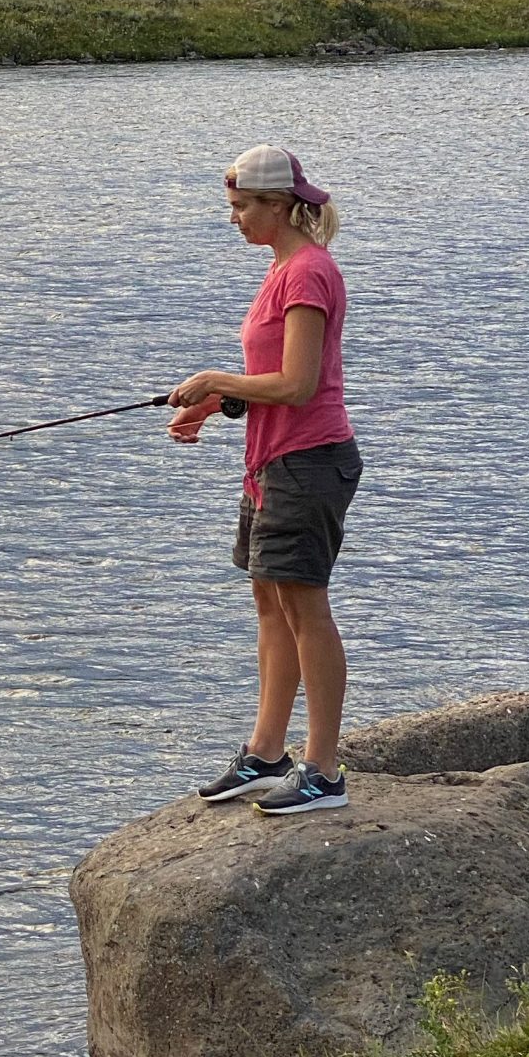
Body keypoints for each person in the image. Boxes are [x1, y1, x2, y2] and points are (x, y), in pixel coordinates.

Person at [168, 143, 362, 816]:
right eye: (233, 206)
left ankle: (323, 772)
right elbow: (275, 383)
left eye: (244, 206)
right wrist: (220, 405)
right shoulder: (281, 269)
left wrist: (218, 378)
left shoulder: (307, 273)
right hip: (270, 464)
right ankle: (265, 755)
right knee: (269, 607)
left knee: (307, 611)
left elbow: (302, 384)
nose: (236, 218)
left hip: (308, 464)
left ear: (280, 206)